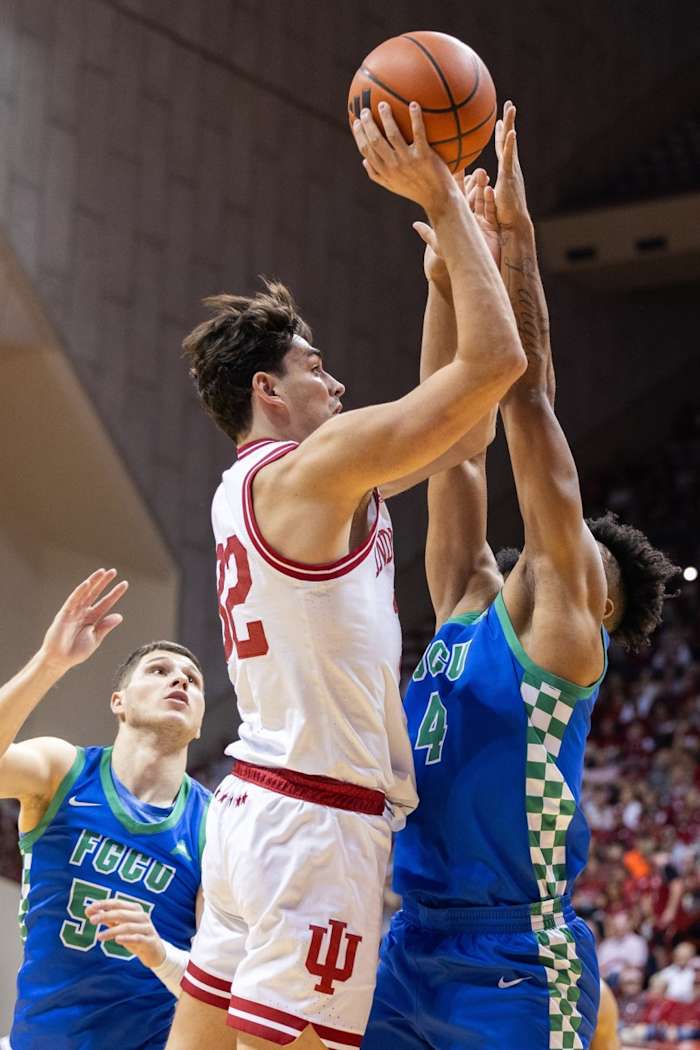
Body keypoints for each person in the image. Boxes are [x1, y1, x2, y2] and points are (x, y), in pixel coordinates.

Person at [165, 102, 526, 1050]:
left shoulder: (288, 488)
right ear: (267, 390)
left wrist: (446, 279)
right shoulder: (312, 470)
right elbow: (497, 366)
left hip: (257, 807)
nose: (336, 381)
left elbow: (464, 433)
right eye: (315, 367)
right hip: (314, 826)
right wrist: (446, 200)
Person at [363, 102, 678, 1050]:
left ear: (600, 598)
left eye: (577, 550)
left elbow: (526, 398)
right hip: (409, 943)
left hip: (514, 964)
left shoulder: (564, 644)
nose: (556, 545)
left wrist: (511, 244)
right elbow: (454, 452)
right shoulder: (467, 607)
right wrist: (443, 288)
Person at [0, 569, 211, 1050]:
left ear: (199, 723)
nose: (179, 678)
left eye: (193, 680)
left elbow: (219, 985)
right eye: (158, 670)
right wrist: (50, 663)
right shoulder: (63, 770)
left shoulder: (216, 823)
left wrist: (161, 956)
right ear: (118, 701)